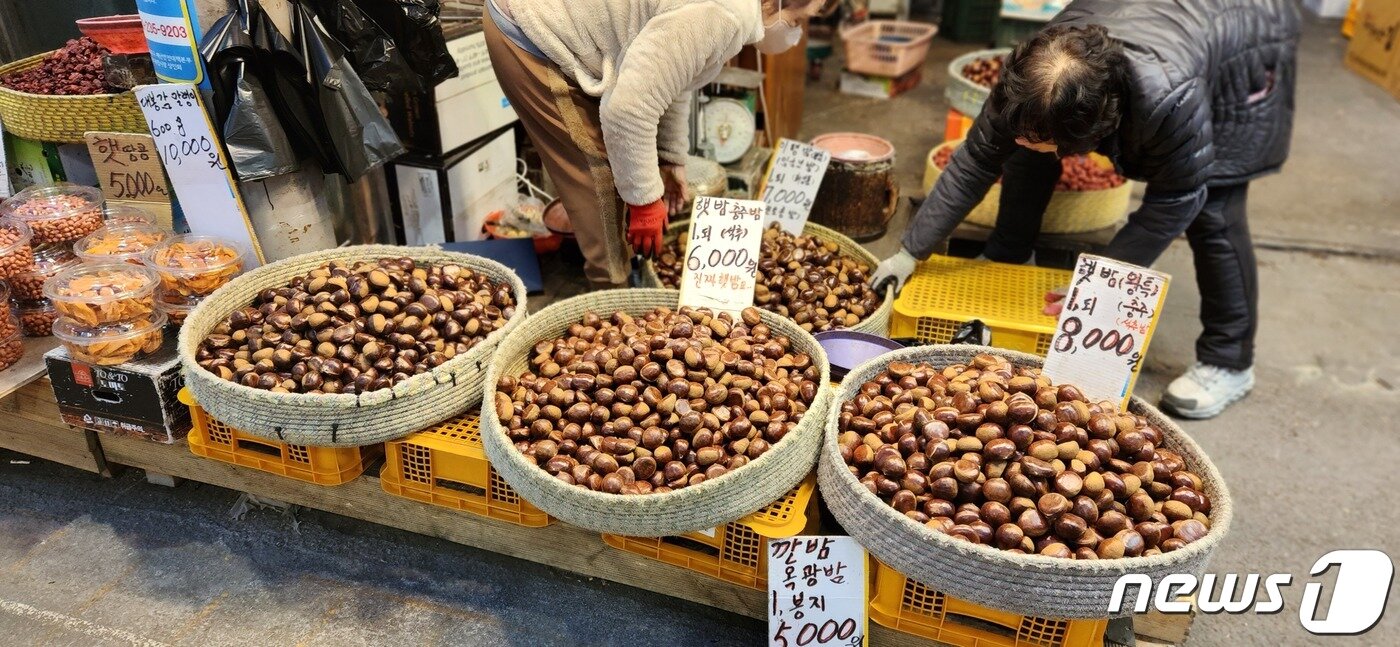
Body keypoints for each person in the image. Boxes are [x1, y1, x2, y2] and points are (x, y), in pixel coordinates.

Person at [871, 0, 1299, 419]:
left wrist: (1097, 286)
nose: (1020, 137)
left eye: (1045, 136)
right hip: (1160, 30)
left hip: (1245, 46)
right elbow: (979, 158)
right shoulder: (1032, 74)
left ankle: (1228, 361)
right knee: (1027, 153)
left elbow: (1176, 198)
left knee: (1215, 209)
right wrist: (911, 250)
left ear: (1092, 131)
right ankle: (1007, 254)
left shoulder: (1170, 99)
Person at [485, 0, 823, 288]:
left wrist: (669, 156)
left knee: (620, 176)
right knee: (597, 179)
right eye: (798, 19)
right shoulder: (724, 15)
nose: (795, 30)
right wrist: (644, 203)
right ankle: (610, 301)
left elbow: (672, 80)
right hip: (530, 28)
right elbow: (627, 112)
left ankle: (619, 276)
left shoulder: (730, 12)